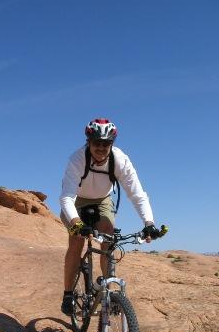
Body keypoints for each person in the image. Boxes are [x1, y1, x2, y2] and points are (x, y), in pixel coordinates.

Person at [59, 117, 159, 315]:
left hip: (103, 200)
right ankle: (68, 294)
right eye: (97, 142)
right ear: (89, 142)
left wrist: (149, 222)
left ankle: (108, 290)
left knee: (108, 238)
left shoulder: (120, 160)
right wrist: (77, 223)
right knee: (76, 240)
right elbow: (66, 198)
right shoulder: (77, 159)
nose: (101, 147)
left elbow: (137, 194)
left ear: (112, 144)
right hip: (76, 201)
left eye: (106, 143)